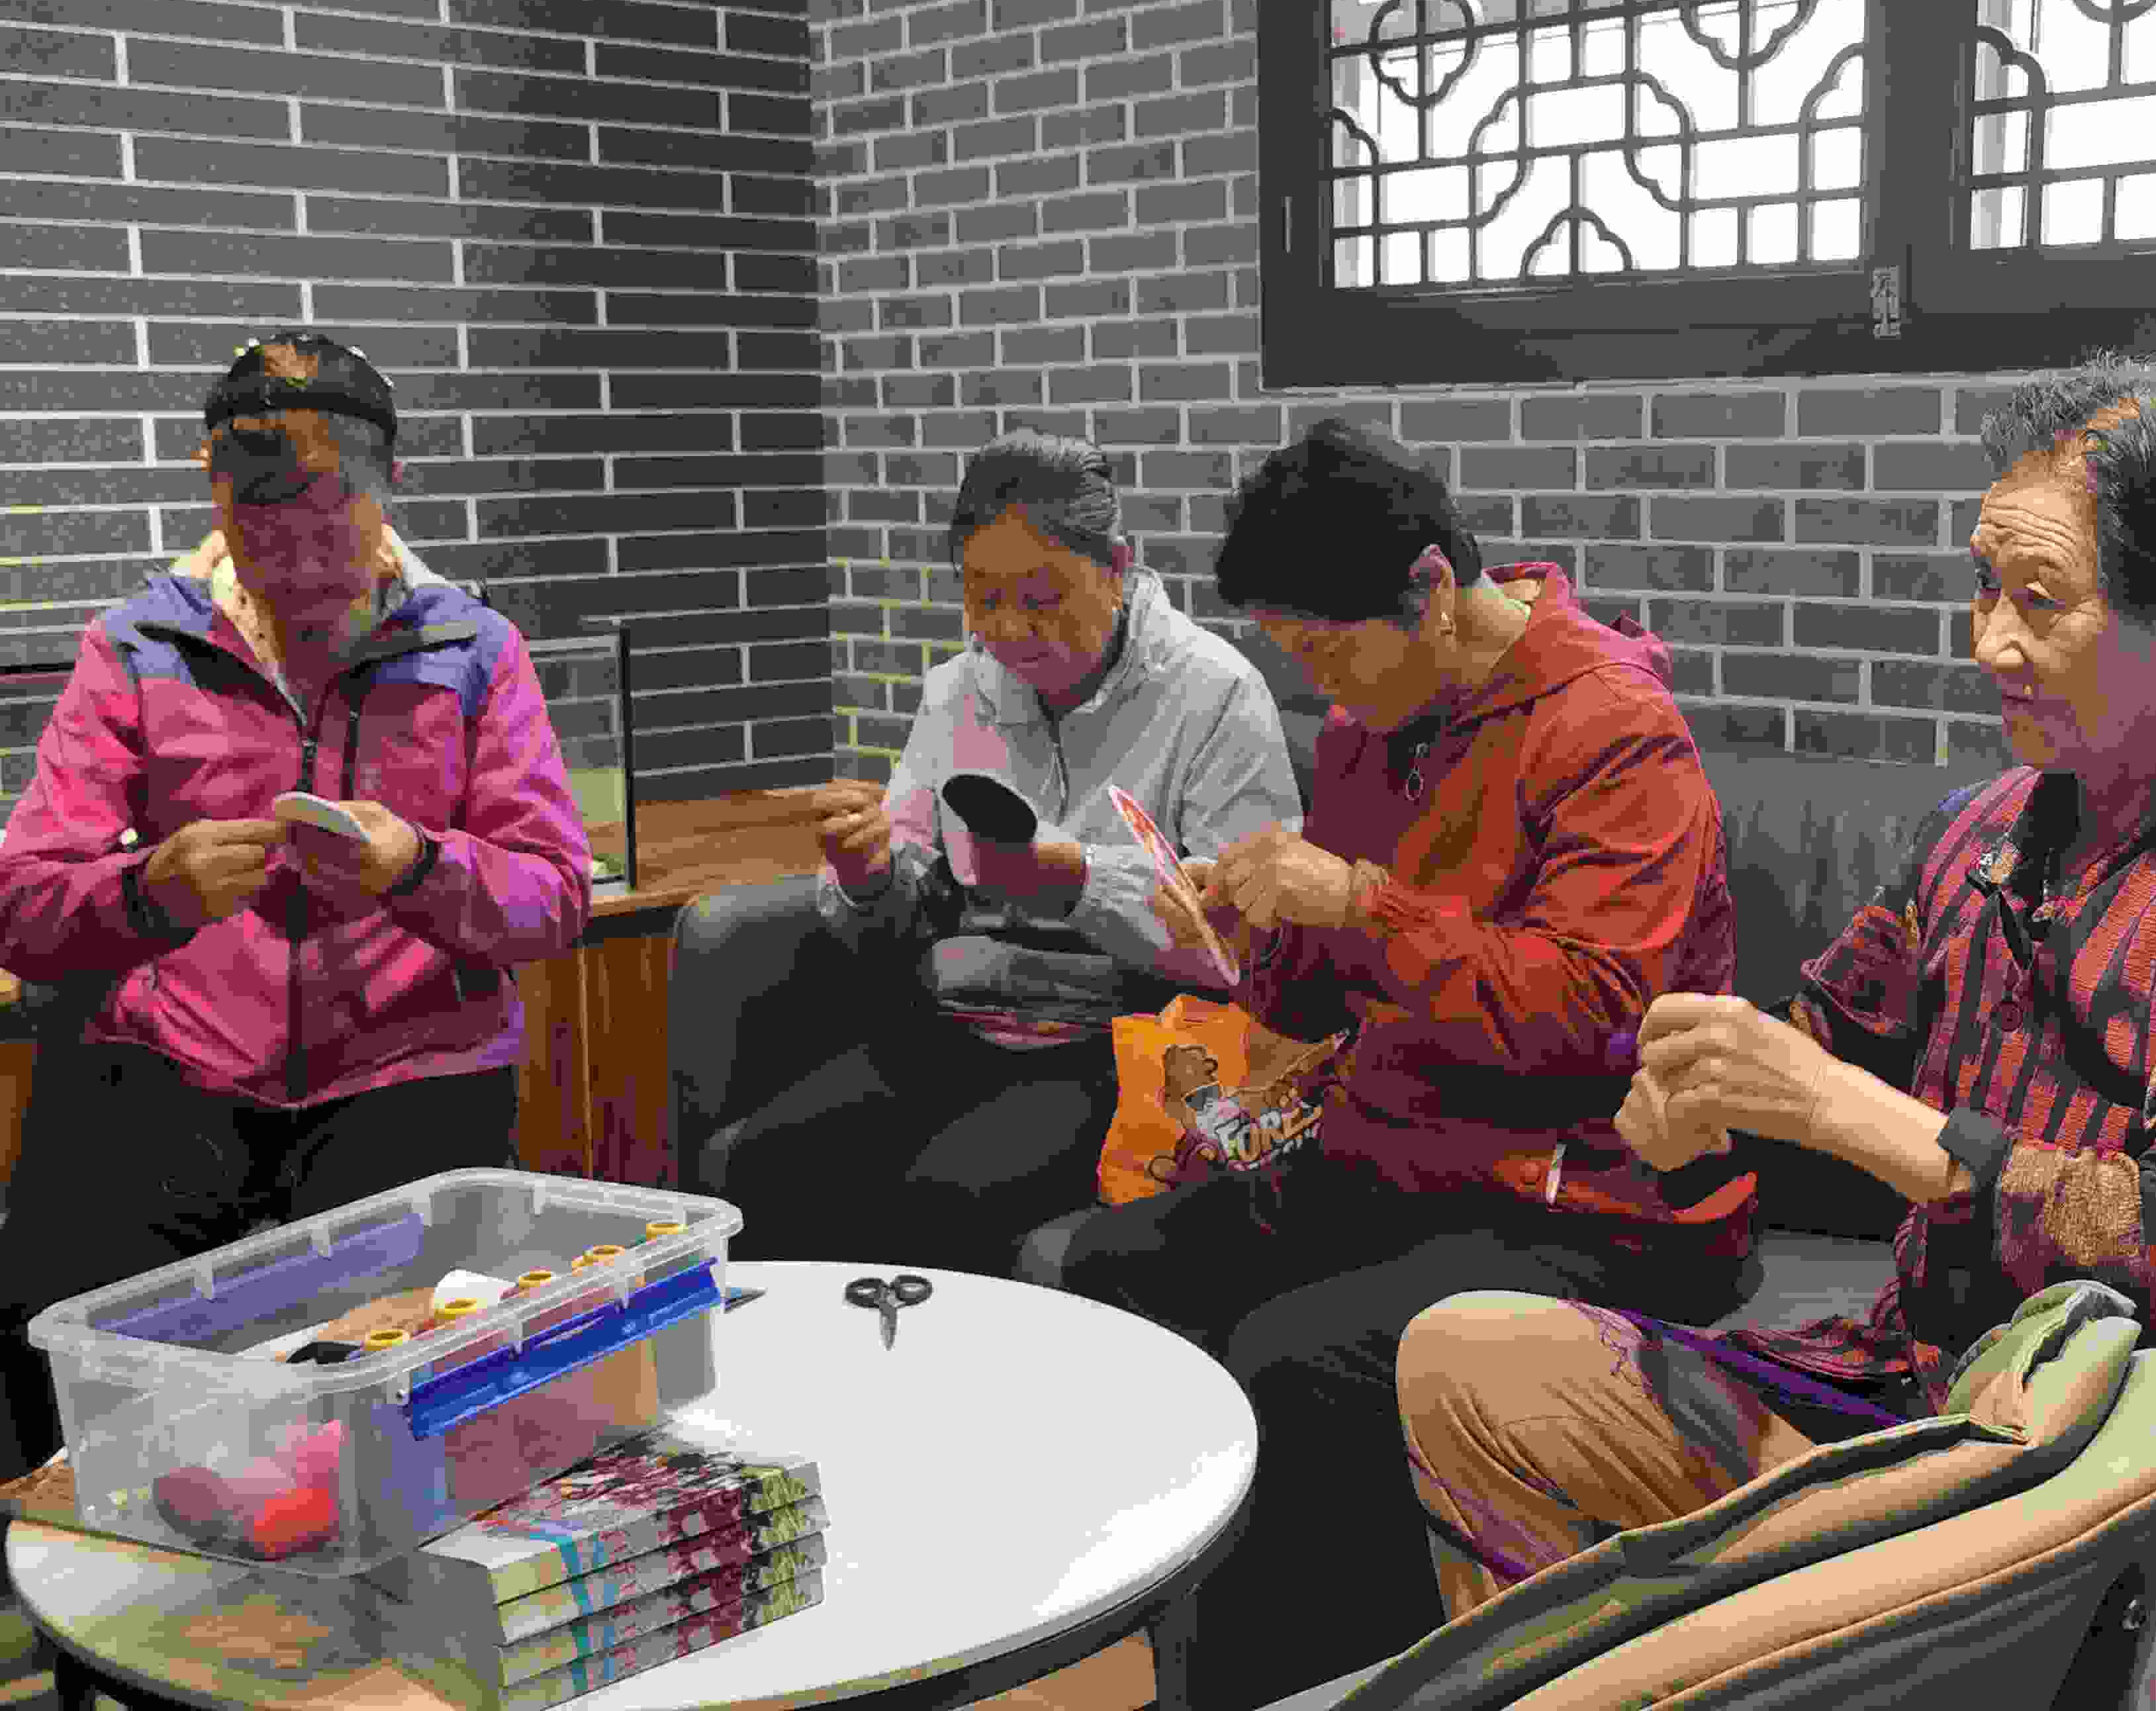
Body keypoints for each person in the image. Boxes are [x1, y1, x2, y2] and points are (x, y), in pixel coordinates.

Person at [1393, 357, 2156, 1700]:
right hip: (1924, 1407)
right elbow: (1817, 1064)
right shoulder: (1976, 838)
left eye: (2037, 598)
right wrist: (1705, 1101)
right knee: (1468, 1359)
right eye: (1984, 586)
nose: (1987, 641)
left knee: (1767, 1629)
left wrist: (1851, 1113)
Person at [1053, 416, 1751, 1707]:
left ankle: (1313, 1686)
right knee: (1096, 1269)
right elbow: (1315, 999)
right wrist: (1243, 926)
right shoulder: (1370, 729)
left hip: (1592, 1198)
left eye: (1324, 649)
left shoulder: (1613, 730)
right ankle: (1141, 1653)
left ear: (1429, 586)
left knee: (1293, 1361)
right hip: (1405, 1159)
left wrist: (1357, 904)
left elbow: (1598, 1013)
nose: (1316, 684)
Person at [0, 331, 592, 1480]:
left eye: (325, 507)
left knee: (408, 1395)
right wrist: (149, 891)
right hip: (174, 1063)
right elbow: (24, 903)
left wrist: (419, 869)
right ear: (217, 492)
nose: (290, 546)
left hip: (410, 1064)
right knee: (54, 1336)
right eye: (255, 510)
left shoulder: (472, 649)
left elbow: (556, 899)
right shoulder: (139, 648)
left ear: (388, 485)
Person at [683, 429, 1299, 1274]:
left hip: (1120, 1042)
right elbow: (896, 911)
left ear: (1117, 567)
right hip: (956, 1020)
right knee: (762, 1166)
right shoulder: (956, 693)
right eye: (983, 598)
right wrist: (866, 876)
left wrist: (1078, 883)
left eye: (1042, 599)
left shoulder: (1215, 694)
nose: (1009, 630)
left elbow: (1250, 947)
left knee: (942, 1199)